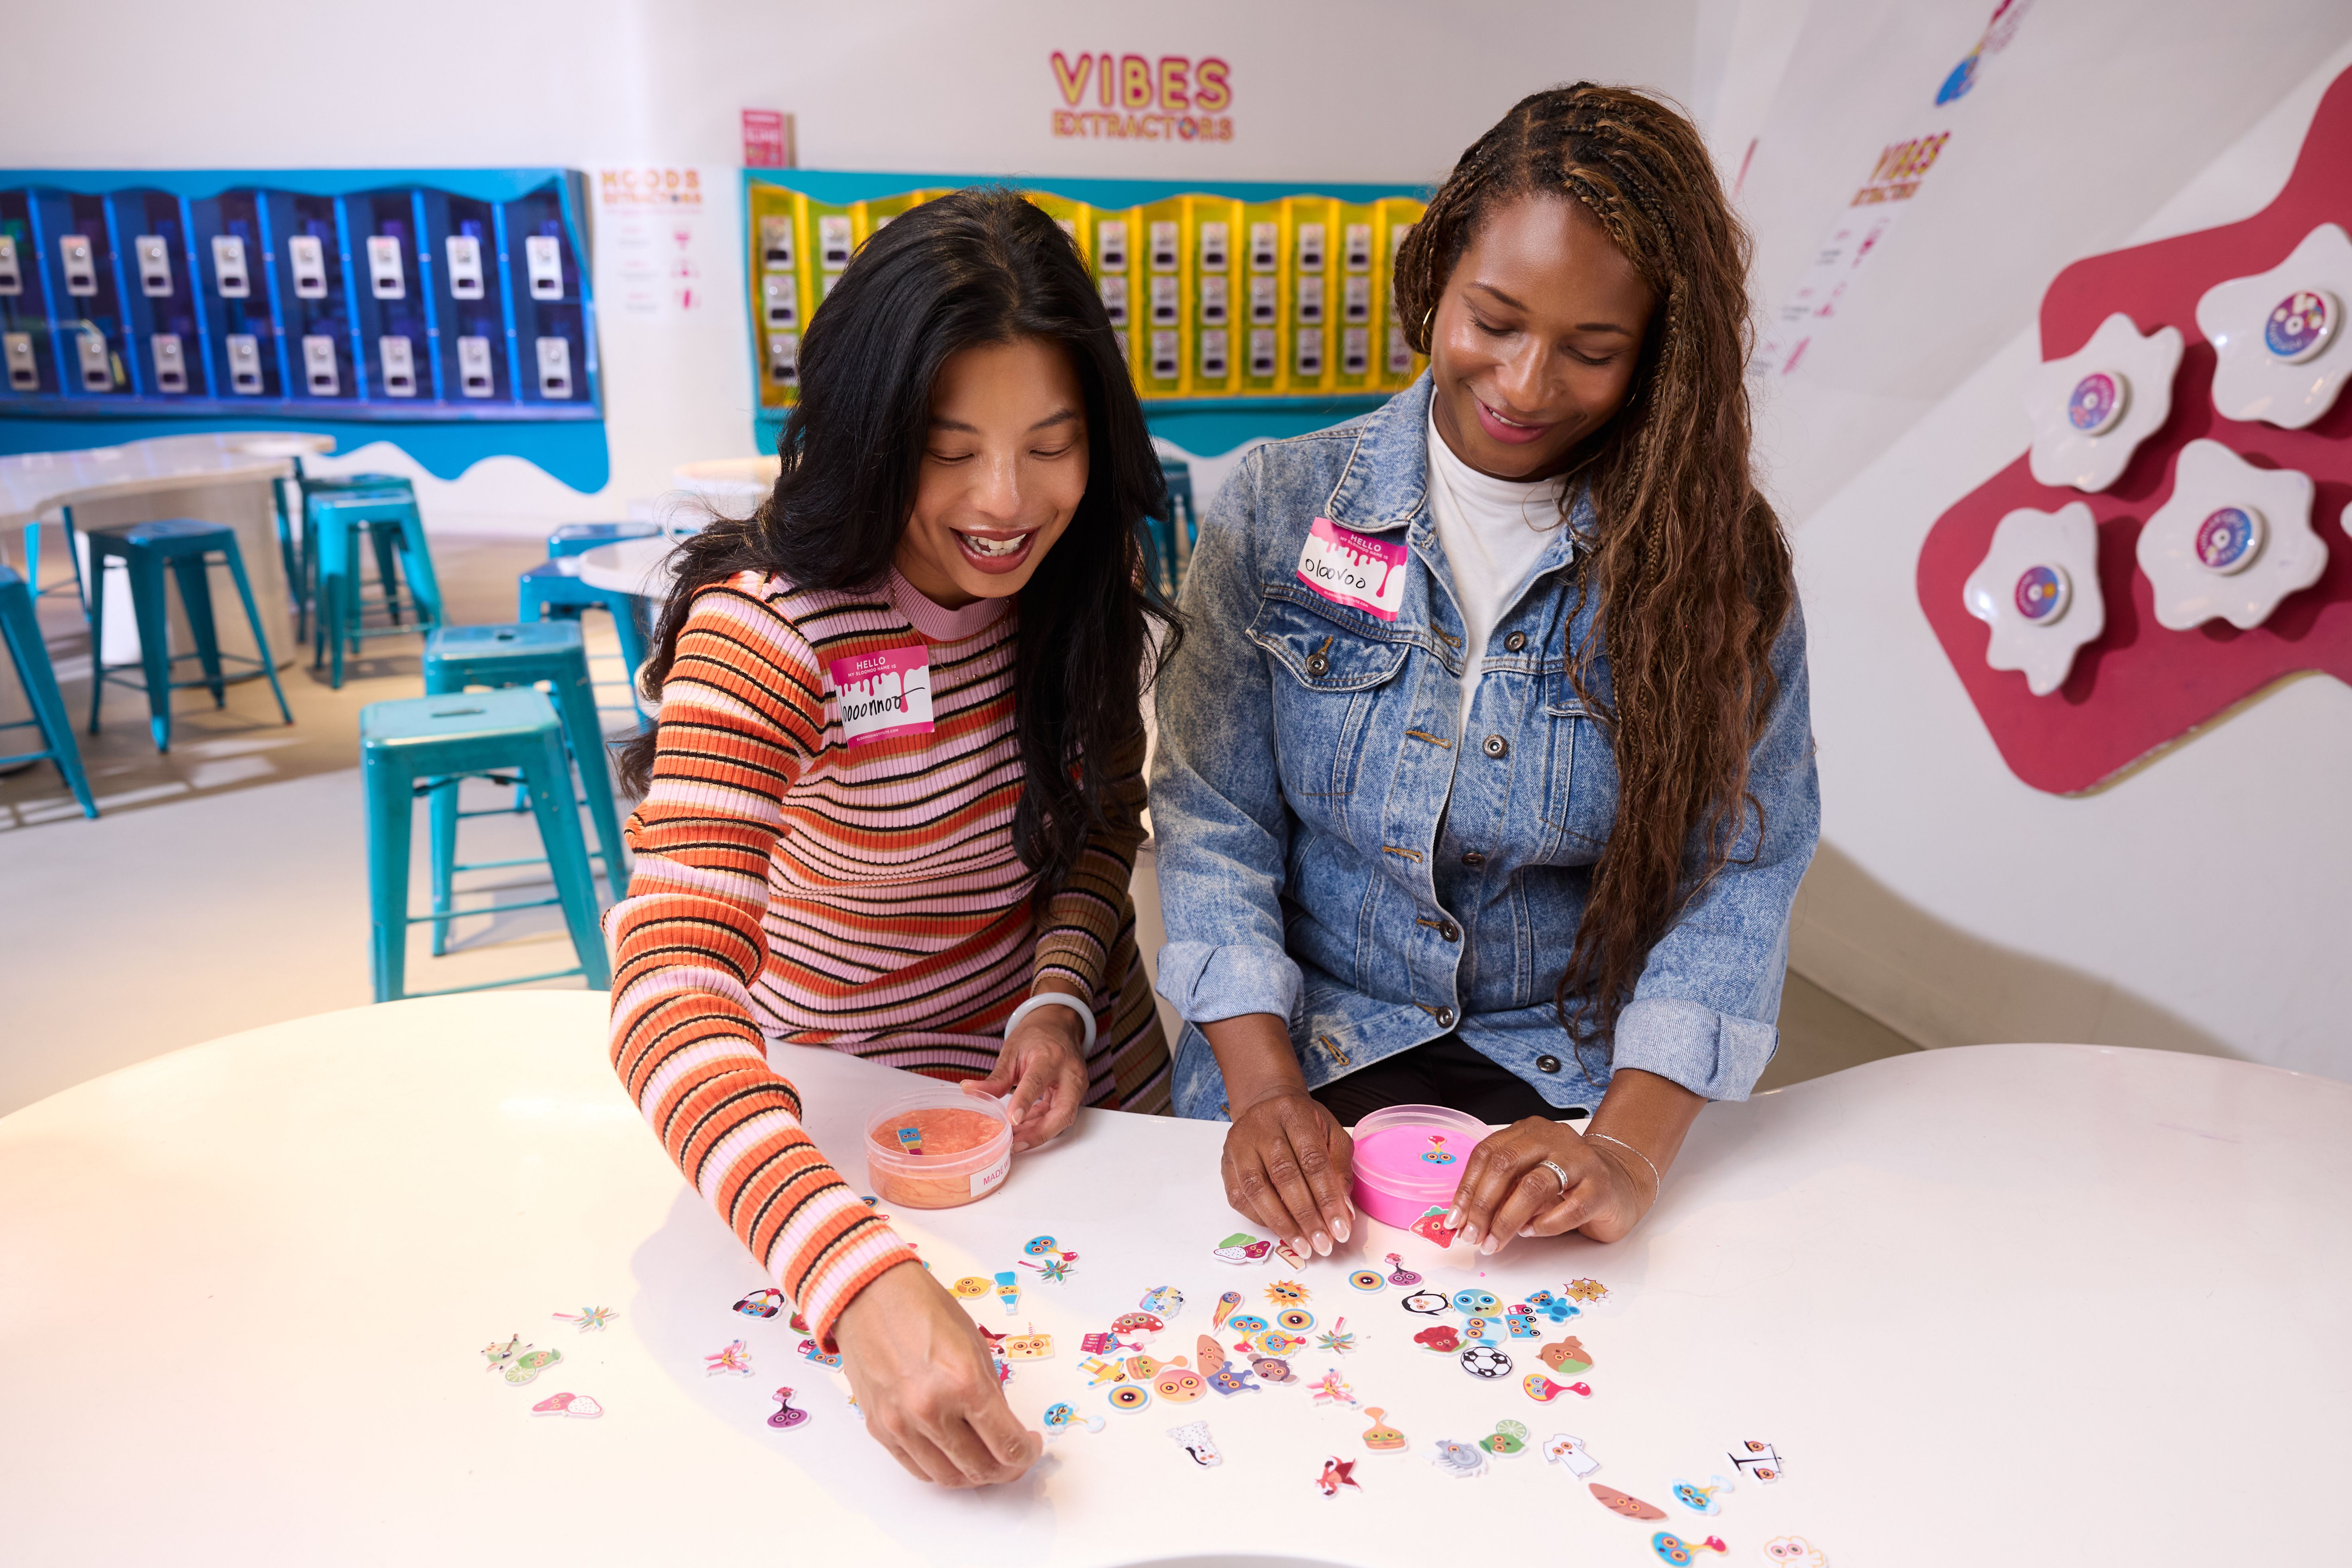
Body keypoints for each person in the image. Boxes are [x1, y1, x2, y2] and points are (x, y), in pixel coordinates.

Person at [1150, 84, 1818, 1267]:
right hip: (1300, 1056)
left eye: (1592, 350)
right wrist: (1259, 1091)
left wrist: (1626, 1148)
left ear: (1659, 351)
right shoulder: (1275, 508)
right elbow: (1214, 822)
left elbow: (1744, 868)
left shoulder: (1720, 564)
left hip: (1574, 1085)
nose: (1522, 383)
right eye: (1494, 320)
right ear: (1436, 275)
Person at [607, 188, 1177, 1488]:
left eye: (1053, 444)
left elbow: (1099, 831)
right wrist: (853, 1277)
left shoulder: (1077, 585)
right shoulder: (771, 633)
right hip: (860, 1136)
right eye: (948, 447)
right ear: (870, 436)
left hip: (1089, 1092)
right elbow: (668, 998)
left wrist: (1056, 1005)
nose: (1005, 501)